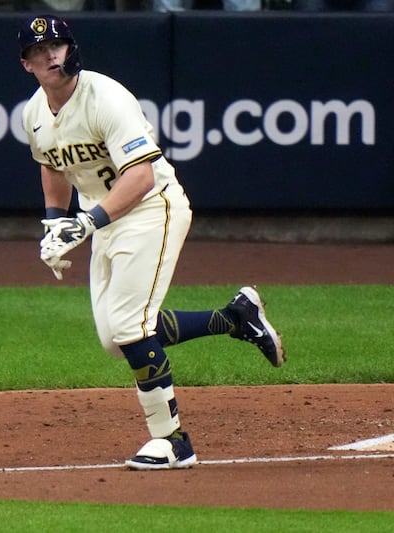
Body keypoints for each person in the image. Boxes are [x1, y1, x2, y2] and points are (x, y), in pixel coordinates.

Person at [17, 15, 285, 470]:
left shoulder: (106, 98)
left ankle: (172, 441)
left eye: (57, 45)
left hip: (151, 208)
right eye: (40, 51)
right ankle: (236, 318)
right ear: (27, 64)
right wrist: (53, 223)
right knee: (116, 338)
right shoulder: (34, 114)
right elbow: (53, 164)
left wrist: (85, 222)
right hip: (106, 217)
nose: (51, 55)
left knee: (128, 327)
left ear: (71, 48)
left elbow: (140, 176)